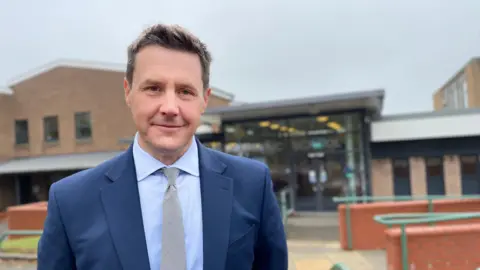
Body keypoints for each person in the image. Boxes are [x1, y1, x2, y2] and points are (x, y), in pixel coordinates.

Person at [37, 23, 288, 270]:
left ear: (204, 99)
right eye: (153, 88)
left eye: (185, 91)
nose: (170, 107)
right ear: (128, 92)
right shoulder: (71, 201)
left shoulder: (253, 185)